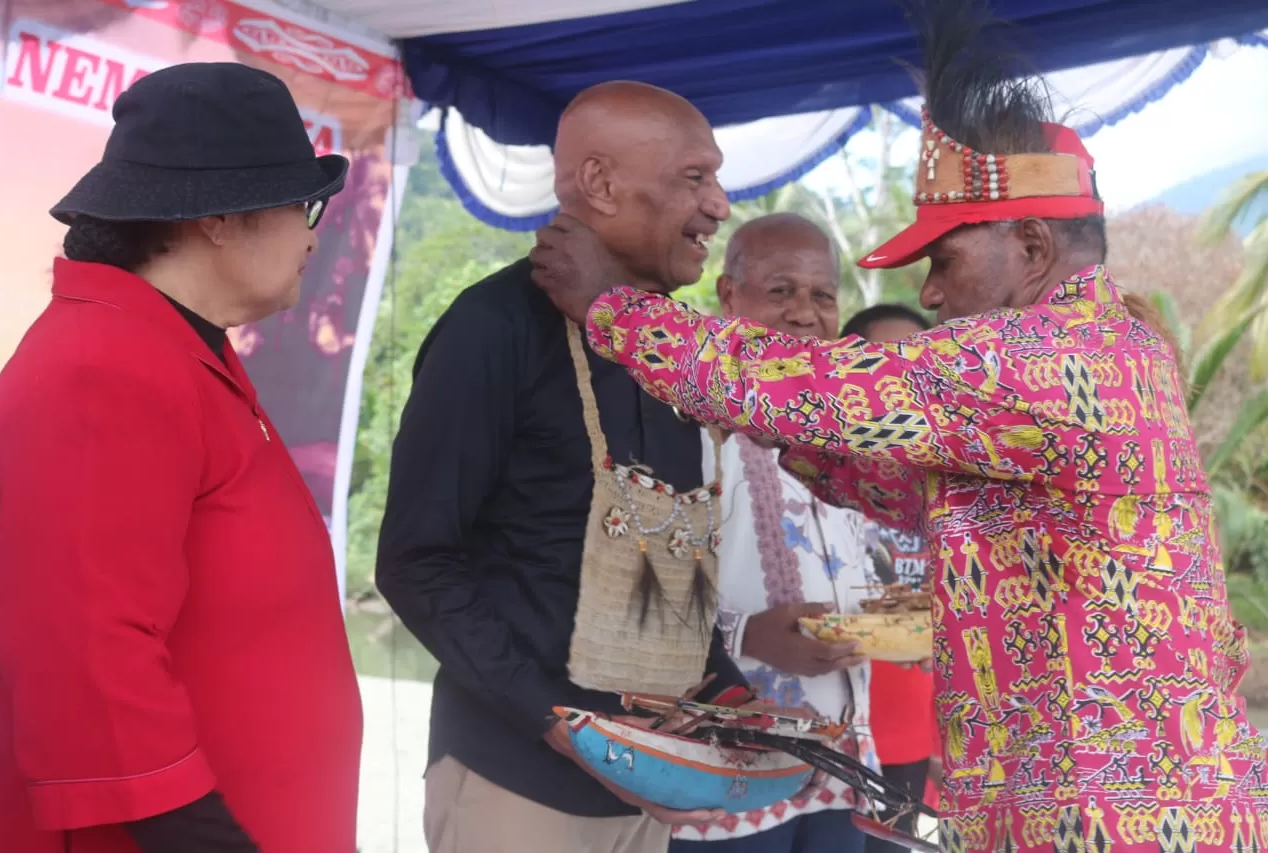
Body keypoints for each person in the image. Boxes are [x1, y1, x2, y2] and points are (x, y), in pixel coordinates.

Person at [529, 3, 1268, 850]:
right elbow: (891, 477)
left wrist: (615, 309)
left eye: (944, 260)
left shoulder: (1057, 360)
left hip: (1112, 824)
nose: (931, 296)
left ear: (1030, 247)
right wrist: (774, 436)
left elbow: (829, 387)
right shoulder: (1106, 356)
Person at [0, 63, 361, 853]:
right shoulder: (100, 366)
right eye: (303, 204)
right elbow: (88, 659)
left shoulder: (170, 350)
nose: (311, 233)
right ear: (219, 217)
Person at [375, 81, 753, 853]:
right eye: (695, 177)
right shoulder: (491, 327)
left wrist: (728, 689)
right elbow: (417, 562)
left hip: (651, 788)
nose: (719, 204)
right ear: (601, 183)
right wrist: (558, 721)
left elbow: (666, 559)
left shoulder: (671, 351)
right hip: (516, 780)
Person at [670, 213, 877, 853]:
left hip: (843, 763)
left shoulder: (851, 433)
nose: (803, 314)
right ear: (729, 297)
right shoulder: (688, 425)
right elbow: (642, 589)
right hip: (726, 763)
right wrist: (747, 633)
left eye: (821, 295)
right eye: (780, 291)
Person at [841, 305, 940, 853]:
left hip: (912, 738)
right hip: (833, 733)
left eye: (916, 368)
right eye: (884, 365)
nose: (900, 383)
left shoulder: (949, 476)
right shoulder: (815, 469)